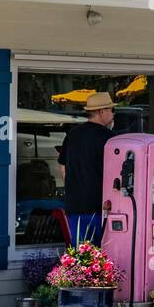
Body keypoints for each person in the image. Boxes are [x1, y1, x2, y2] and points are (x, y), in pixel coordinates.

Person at [57, 92, 116, 245]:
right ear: (102, 111)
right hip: (99, 207)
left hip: (75, 205)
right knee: (100, 255)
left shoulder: (72, 134)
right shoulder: (109, 138)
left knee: (81, 254)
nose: (113, 114)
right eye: (112, 110)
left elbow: (63, 167)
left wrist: (73, 190)